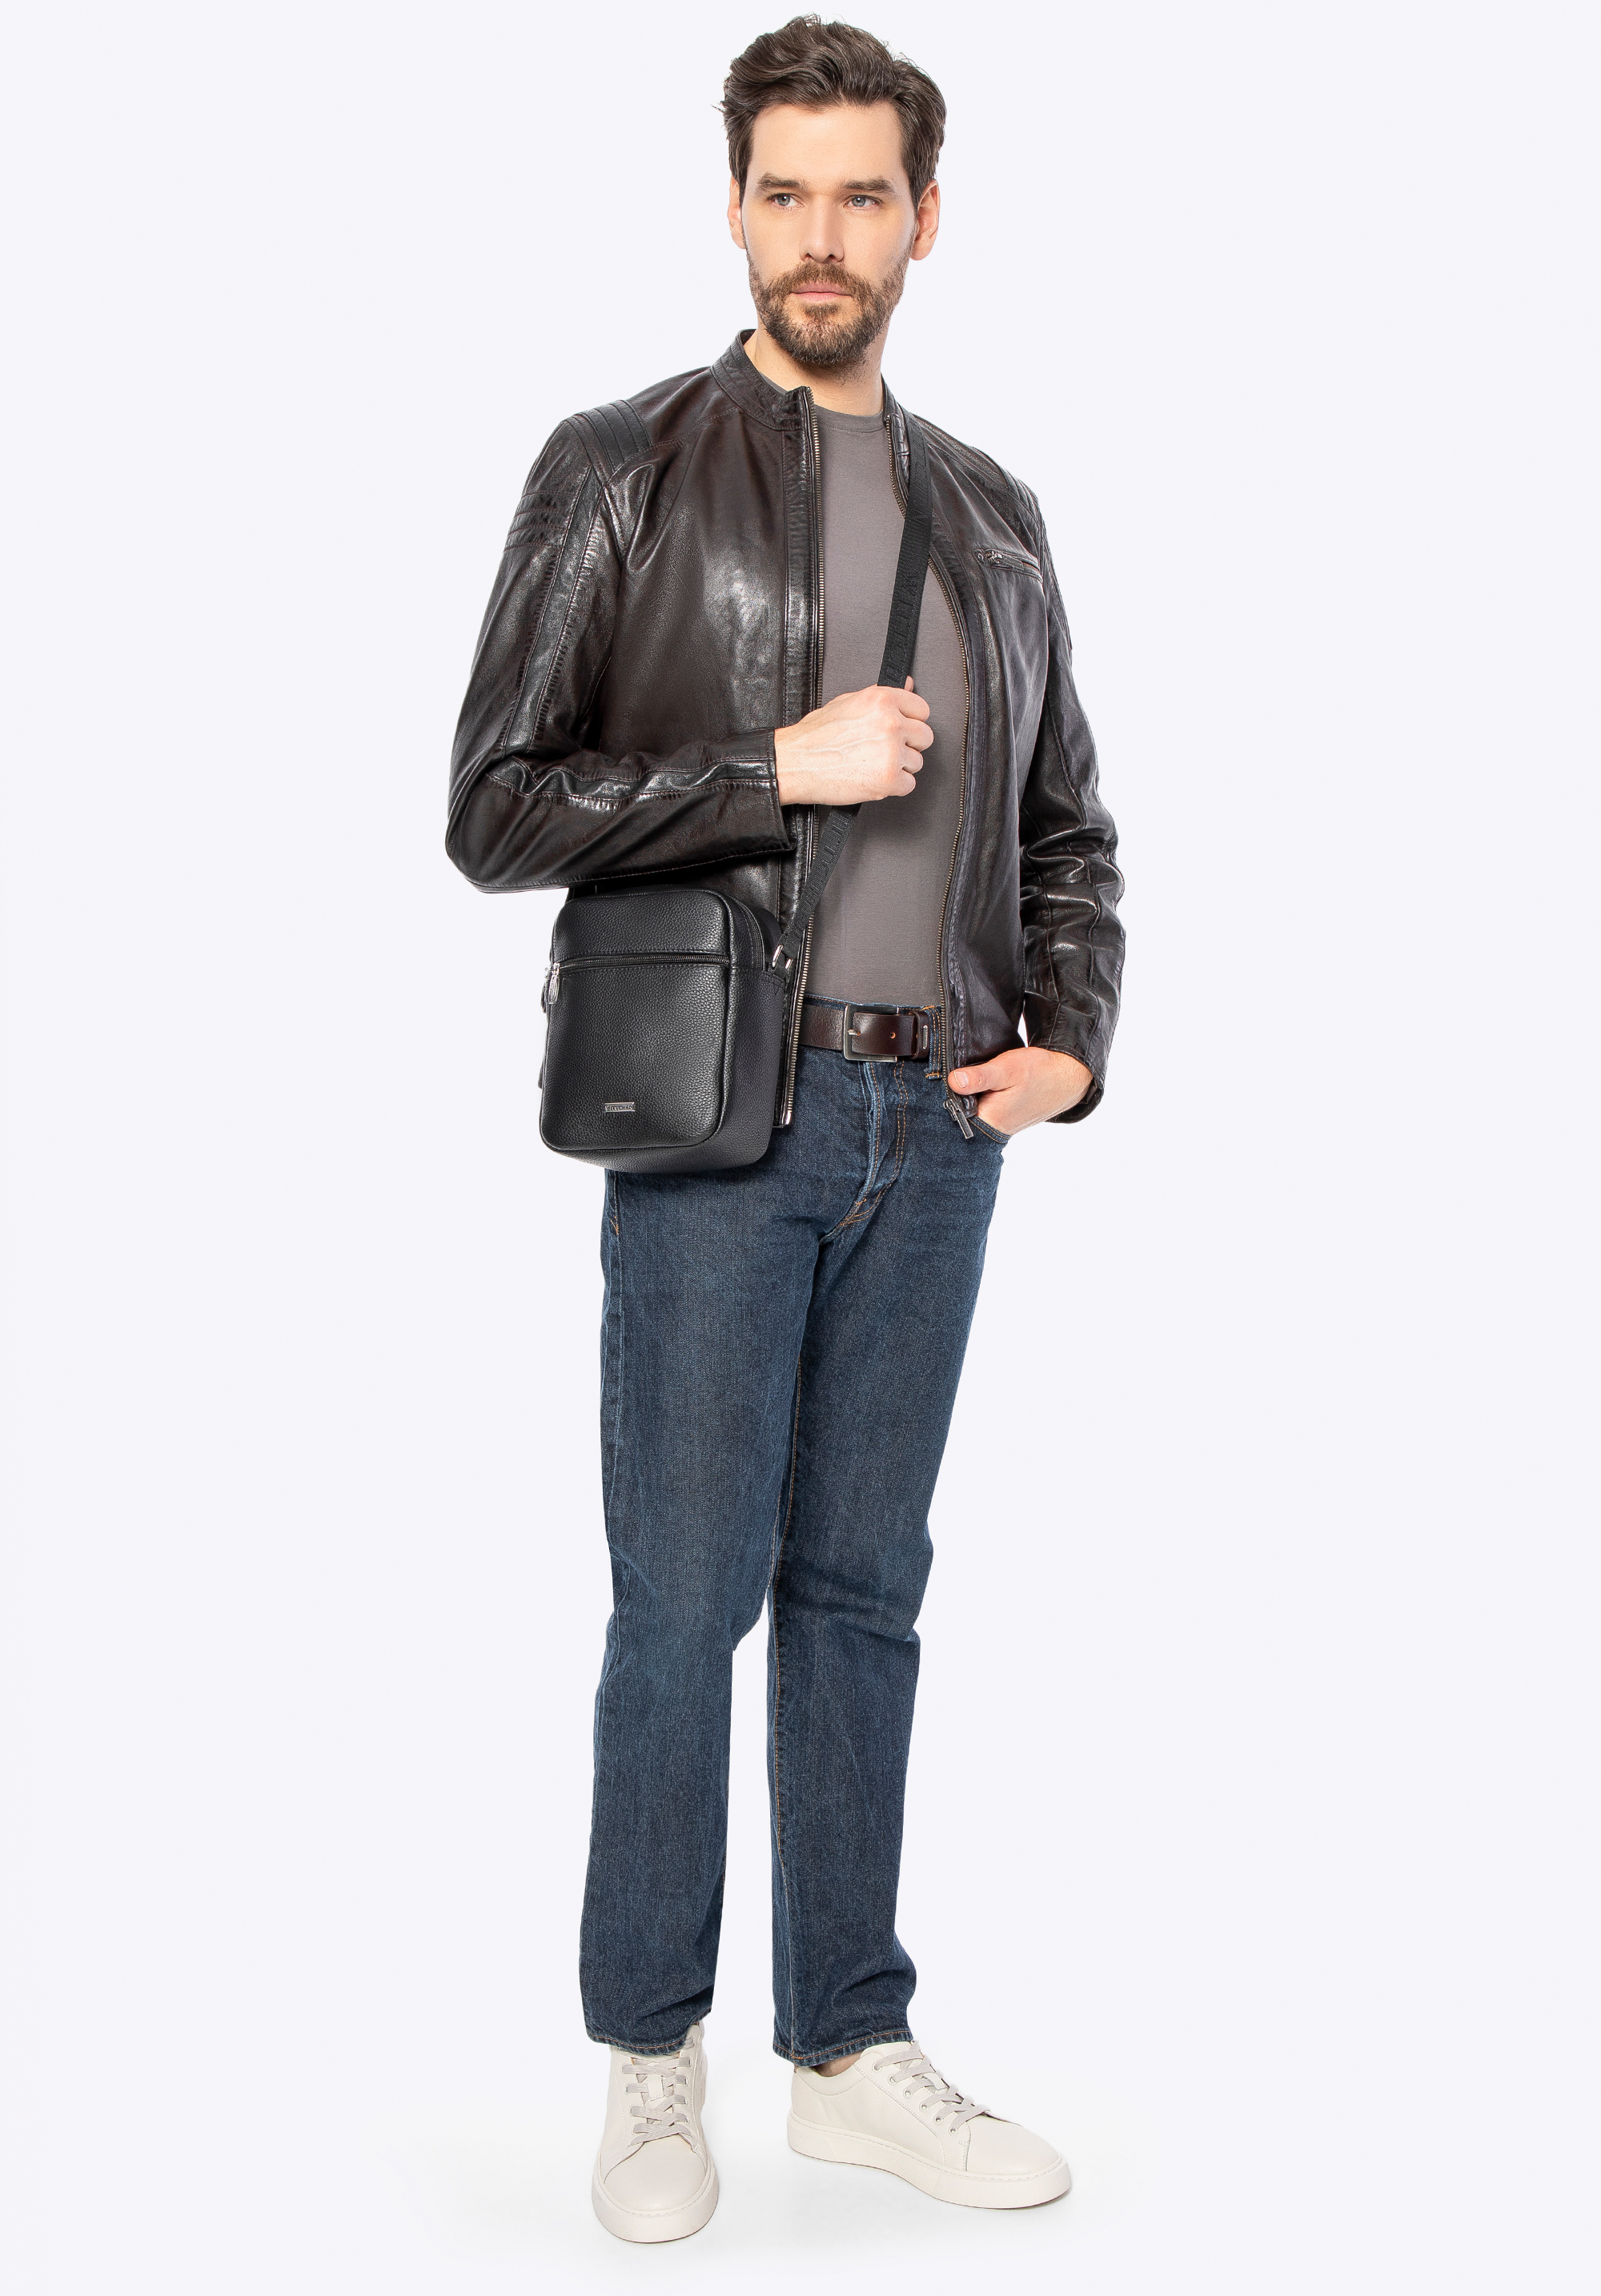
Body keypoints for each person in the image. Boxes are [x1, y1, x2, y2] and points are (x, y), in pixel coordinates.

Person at [447, 14, 1124, 2244]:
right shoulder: (617, 469)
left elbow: (1066, 825)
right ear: (734, 207)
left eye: (863, 195)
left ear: (926, 218)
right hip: (725, 1111)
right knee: (684, 1604)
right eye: (784, 192)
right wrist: (771, 769)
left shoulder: (995, 514)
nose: (822, 235)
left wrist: (1073, 1037)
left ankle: (848, 2046)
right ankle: (654, 2059)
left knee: (866, 1595)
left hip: (940, 1124)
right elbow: (494, 804)